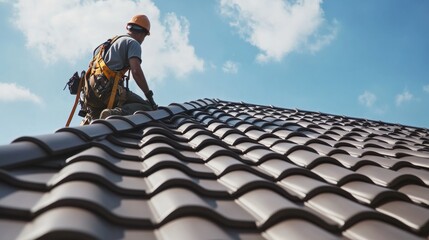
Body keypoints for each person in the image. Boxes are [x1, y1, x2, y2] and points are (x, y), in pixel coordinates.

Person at [81, 14, 157, 124]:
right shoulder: (133, 43)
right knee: (146, 106)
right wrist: (149, 96)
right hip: (106, 91)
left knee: (96, 124)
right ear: (142, 33)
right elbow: (136, 72)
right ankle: (114, 114)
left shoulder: (113, 41)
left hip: (90, 94)